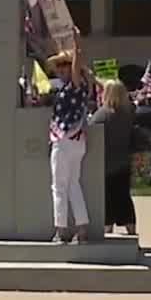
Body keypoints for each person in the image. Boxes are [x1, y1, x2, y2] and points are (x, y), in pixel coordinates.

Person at [45, 38, 90, 244]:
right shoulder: (72, 87)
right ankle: (81, 228)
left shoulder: (74, 84)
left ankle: (61, 230)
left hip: (64, 139)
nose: (61, 70)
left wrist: (76, 45)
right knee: (73, 184)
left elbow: (77, 63)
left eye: (65, 65)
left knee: (59, 186)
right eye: (59, 66)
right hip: (76, 139)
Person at [89, 79, 136, 237]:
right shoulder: (128, 113)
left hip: (106, 162)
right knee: (124, 197)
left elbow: (90, 130)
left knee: (107, 198)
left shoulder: (102, 114)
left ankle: (107, 230)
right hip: (124, 161)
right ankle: (131, 230)